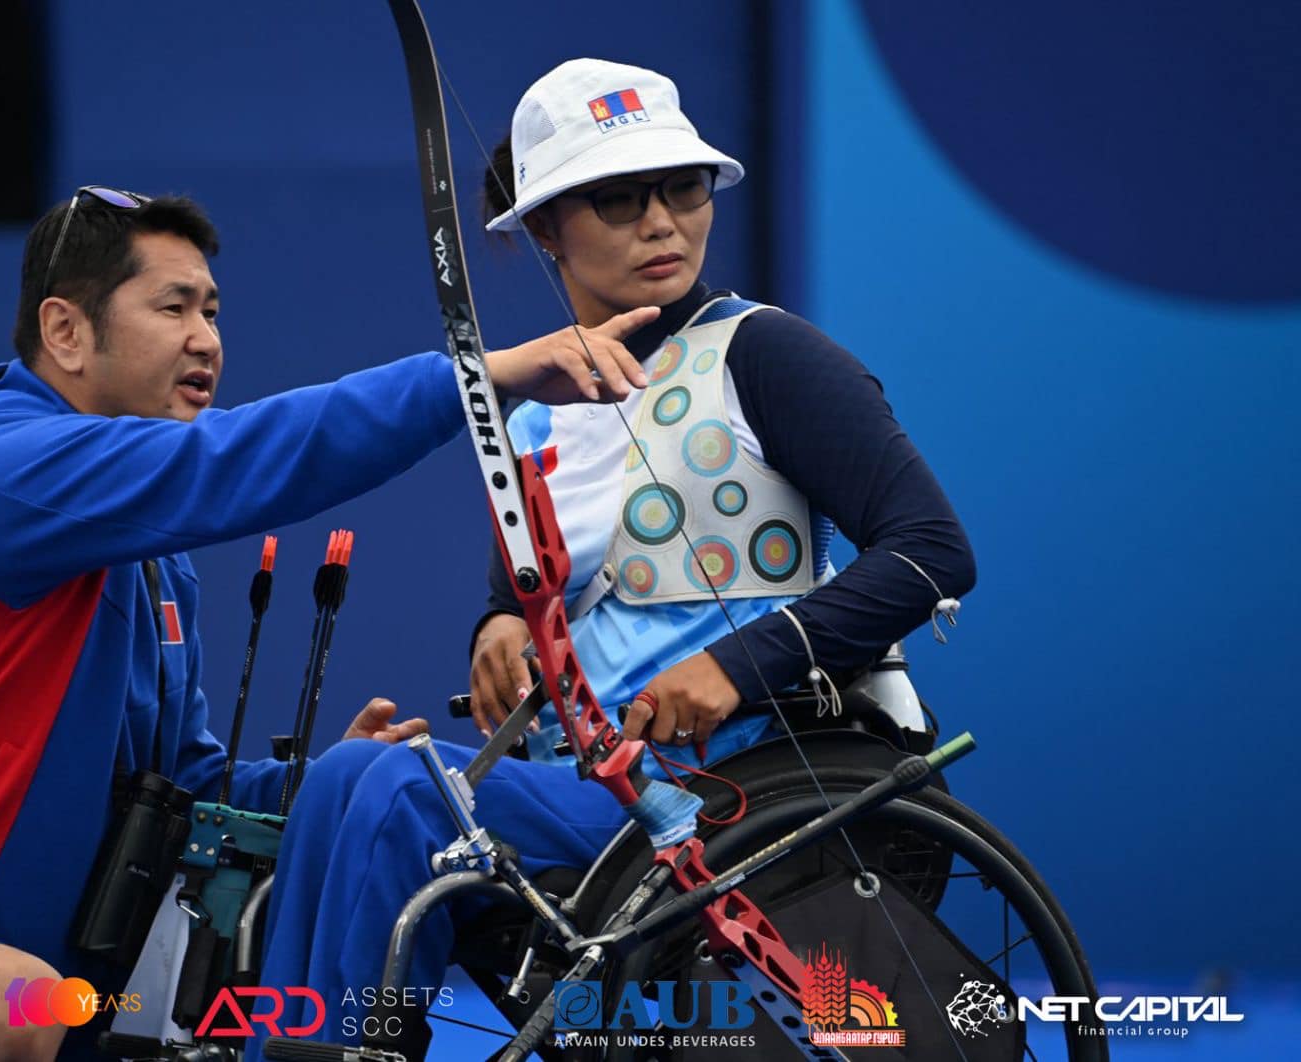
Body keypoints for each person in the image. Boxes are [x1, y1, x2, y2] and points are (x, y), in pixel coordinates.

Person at [0, 188, 658, 1062]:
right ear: (66, 333)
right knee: (26, 1004)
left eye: (212, 310)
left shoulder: (147, 557)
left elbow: (181, 790)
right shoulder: (3, 475)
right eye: (173, 308)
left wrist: (313, 782)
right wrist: (486, 376)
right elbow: (246, 457)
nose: (207, 338)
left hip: (17, 1000)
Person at [257, 58, 976, 1056]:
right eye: (618, 199)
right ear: (544, 227)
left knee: (389, 798)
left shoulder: (765, 355)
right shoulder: (538, 407)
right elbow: (526, 593)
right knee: (349, 775)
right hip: (588, 796)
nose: (663, 222)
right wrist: (498, 625)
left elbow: (932, 553)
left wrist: (734, 666)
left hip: (726, 799)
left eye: (681, 188)